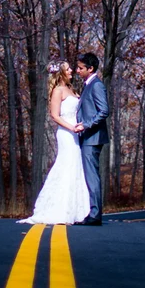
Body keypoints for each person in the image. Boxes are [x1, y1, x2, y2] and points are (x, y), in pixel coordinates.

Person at [18, 61, 91, 225]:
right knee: (67, 164)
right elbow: (55, 115)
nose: (71, 70)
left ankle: (78, 210)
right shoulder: (58, 90)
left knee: (76, 166)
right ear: (61, 73)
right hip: (66, 133)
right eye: (68, 69)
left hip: (76, 131)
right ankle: (59, 209)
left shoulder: (71, 89)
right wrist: (71, 128)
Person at [74, 52, 109, 225]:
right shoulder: (88, 85)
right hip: (88, 138)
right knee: (89, 176)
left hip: (92, 138)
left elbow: (104, 111)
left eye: (80, 68)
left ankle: (95, 214)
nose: (77, 70)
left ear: (90, 68)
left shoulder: (96, 85)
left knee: (92, 176)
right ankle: (90, 212)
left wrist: (85, 125)